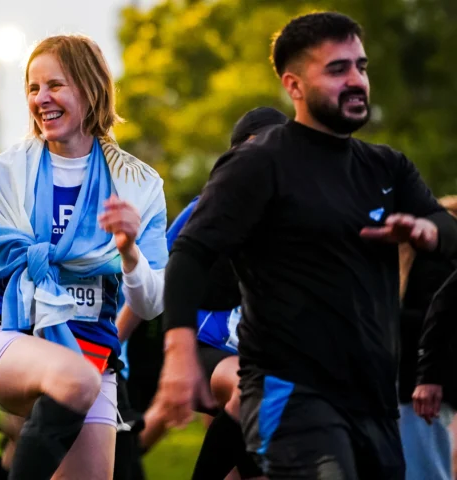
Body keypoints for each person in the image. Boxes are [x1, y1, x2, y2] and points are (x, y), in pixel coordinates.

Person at [153, 11, 457, 479]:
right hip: (289, 393)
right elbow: (190, 256)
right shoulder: (257, 163)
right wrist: (179, 353)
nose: (356, 80)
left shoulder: (387, 167)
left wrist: (429, 232)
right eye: (337, 69)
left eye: (361, 66)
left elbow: (447, 229)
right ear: (293, 85)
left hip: (373, 402)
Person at [0, 34, 168, 480]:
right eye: (33, 88)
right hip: (3, 337)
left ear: (91, 89)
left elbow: (151, 304)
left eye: (55, 85)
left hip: (94, 355)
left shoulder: (138, 184)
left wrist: (128, 251)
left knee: (83, 386)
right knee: (77, 379)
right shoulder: (4, 174)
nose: (41, 99)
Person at [115, 107, 287, 480]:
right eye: (259, 147)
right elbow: (158, 282)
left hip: (259, 352)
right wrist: (108, 347)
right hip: (202, 346)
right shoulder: (207, 209)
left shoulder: (293, 216)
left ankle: (114, 457)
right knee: (252, 389)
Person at [397, 197, 457, 480]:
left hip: (419, 383)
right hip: (422, 382)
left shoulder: (431, 261)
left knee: (423, 466)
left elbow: (434, 317)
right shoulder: (435, 259)